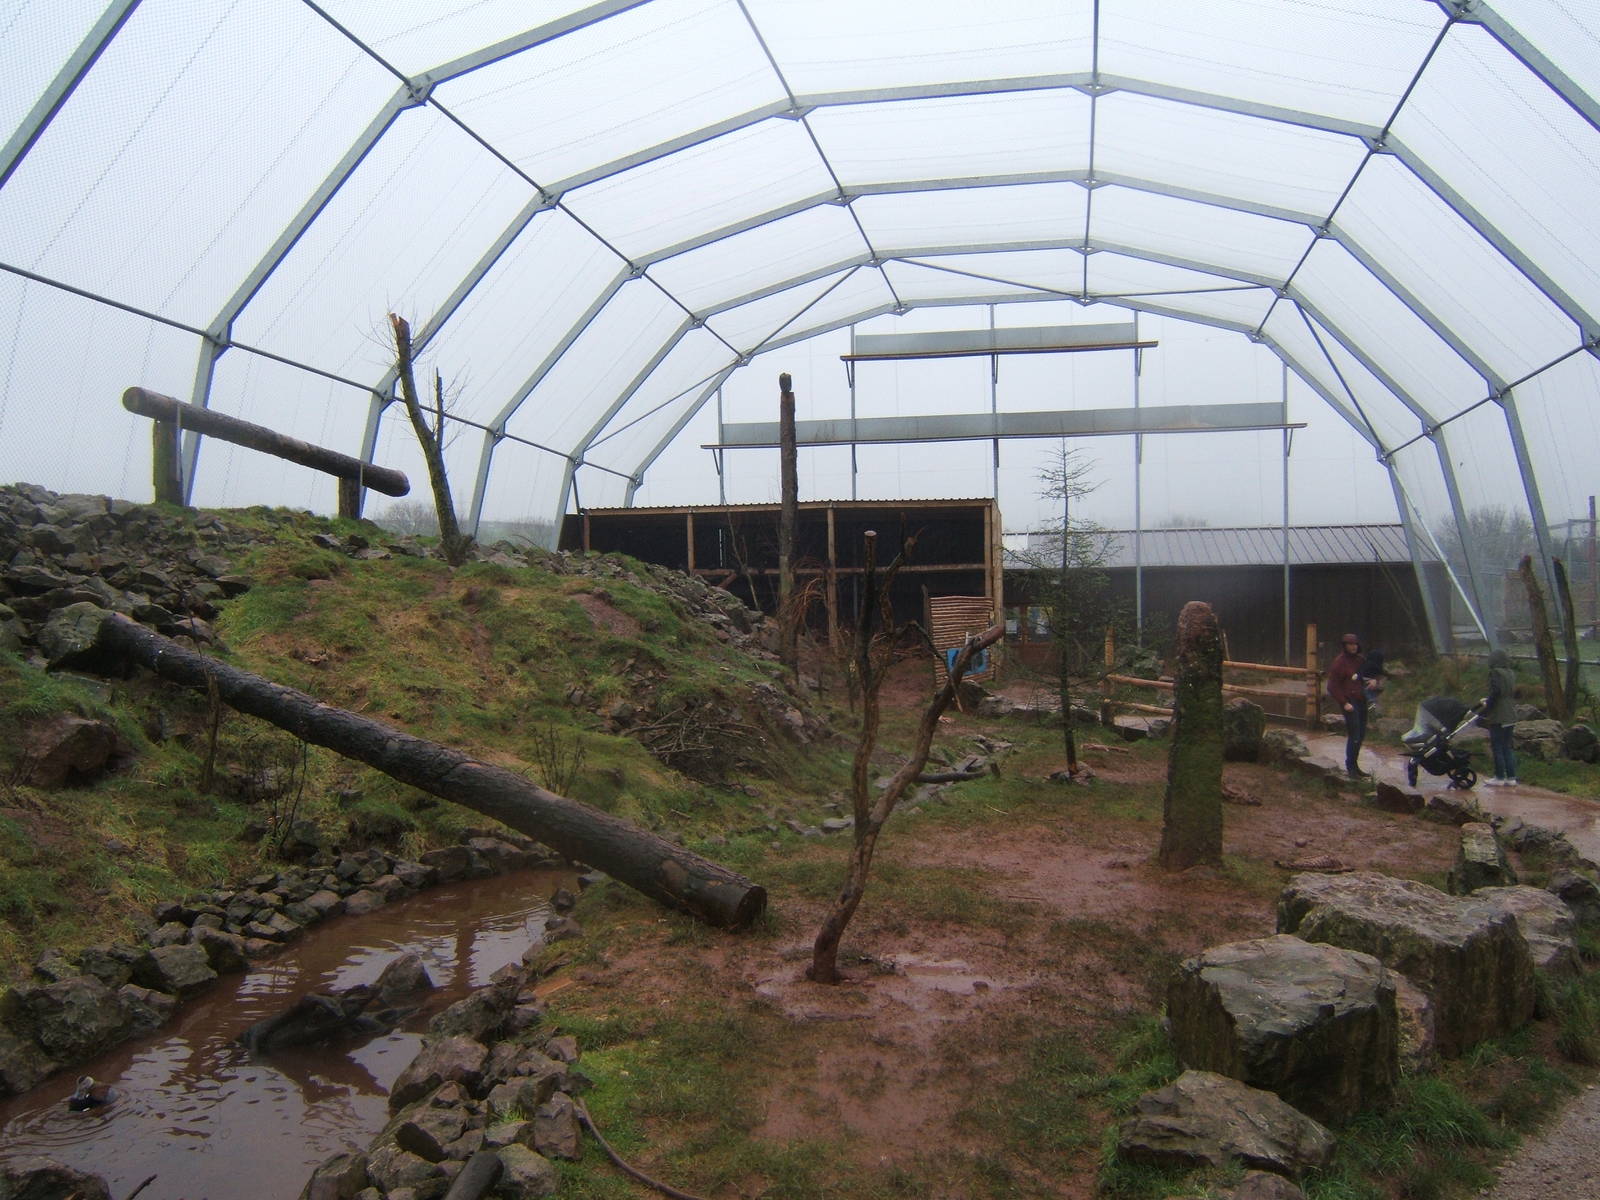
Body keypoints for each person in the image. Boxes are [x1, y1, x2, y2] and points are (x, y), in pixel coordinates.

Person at [1327, 632, 1369, 778]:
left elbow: (1366, 677)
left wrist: (1372, 682)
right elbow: (1332, 686)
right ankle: (1350, 768)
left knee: (1361, 734)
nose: (1353, 647)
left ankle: (1355, 765)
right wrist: (1344, 703)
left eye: (1355, 644)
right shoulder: (1339, 662)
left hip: (1361, 700)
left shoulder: (1360, 660)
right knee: (1354, 735)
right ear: (1344, 646)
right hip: (1350, 703)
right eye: (1350, 644)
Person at [1480, 649, 1518, 786]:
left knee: (1497, 746)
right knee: (1507, 747)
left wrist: (1487, 704)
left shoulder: (1495, 673)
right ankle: (1512, 777)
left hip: (1499, 714)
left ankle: (1499, 776)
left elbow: (1496, 692)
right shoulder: (1510, 673)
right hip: (1511, 713)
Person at [1359, 648, 1387, 716]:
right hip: (1371, 684)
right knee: (1373, 699)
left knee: (1370, 699)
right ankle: (1375, 713)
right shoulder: (1377, 666)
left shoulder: (1364, 664)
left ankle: (1373, 711)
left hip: (1366, 684)